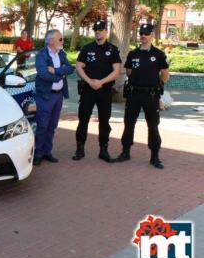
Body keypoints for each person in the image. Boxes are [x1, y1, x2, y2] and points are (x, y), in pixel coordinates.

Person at [115, 24, 170, 169]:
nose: (143, 36)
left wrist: (155, 84)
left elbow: (165, 75)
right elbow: (128, 72)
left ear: (152, 35)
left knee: (153, 125)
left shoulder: (158, 54)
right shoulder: (133, 54)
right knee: (128, 123)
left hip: (151, 96)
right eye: (141, 33)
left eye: (146, 33)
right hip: (134, 94)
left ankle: (155, 156)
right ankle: (125, 152)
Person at [72, 20, 121, 162]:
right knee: (83, 120)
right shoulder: (87, 48)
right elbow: (79, 67)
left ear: (106, 31)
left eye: (100, 29)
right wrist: (90, 81)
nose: (98, 32)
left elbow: (116, 71)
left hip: (104, 91)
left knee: (105, 121)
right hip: (88, 90)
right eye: (96, 30)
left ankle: (103, 151)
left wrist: (101, 82)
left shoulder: (112, 49)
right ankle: (80, 150)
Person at [33, 29, 74, 166]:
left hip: (58, 96)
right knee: (42, 125)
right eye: (60, 39)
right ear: (51, 41)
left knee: (52, 125)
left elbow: (70, 68)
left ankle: (47, 152)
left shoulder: (61, 54)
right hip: (45, 96)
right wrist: (60, 75)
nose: (62, 41)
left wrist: (56, 71)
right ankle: (38, 153)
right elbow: (44, 74)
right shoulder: (41, 55)